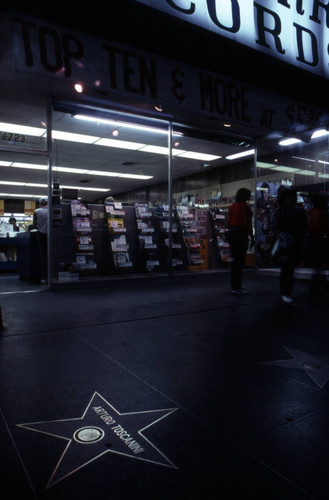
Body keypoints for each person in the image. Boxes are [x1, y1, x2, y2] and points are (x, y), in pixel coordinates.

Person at [271, 188, 307, 304]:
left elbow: (273, 229)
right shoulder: (299, 211)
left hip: (286, 244)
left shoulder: (278, 211)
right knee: (288, 269)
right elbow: (304, 228)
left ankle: (285, 292)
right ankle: (286, 292)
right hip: (291, 244)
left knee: (287, 269)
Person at [227, 187, 254, 294]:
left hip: (233, 233)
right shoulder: (244, 206)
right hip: (240, 234)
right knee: (240, 261)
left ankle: (235, 286)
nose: (250, 196)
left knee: (235, 261)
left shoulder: (233, 206)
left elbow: (229, 221)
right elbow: (246, 223)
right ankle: (236, 287)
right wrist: (251, 236)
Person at [33, 198, 48, 284]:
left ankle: (44, 278)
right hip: (51, 236)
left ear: (39, 203)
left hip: (41, 235)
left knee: (43, 257)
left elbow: (34, 225)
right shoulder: (51, 210)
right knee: (51, 256)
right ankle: (52, 275)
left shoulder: (36, 211)